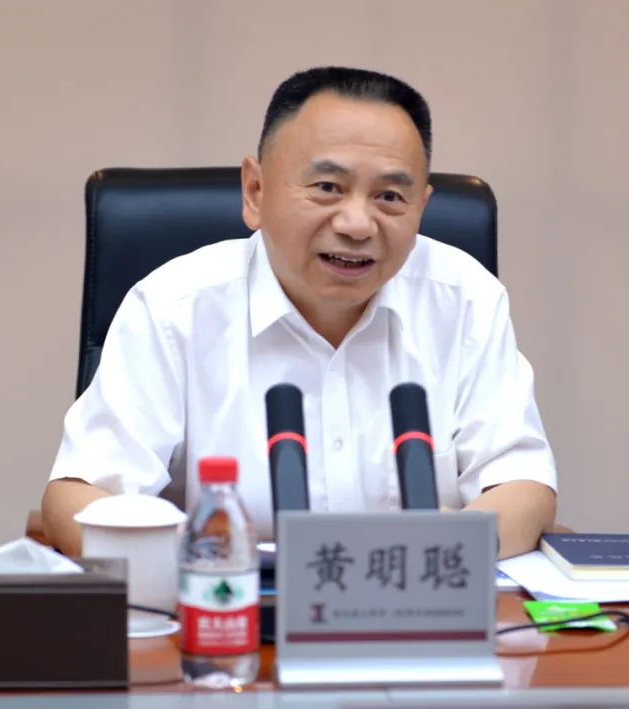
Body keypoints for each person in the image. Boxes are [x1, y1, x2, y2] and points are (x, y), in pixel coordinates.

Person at [42, 66, 557, 558]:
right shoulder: (174, 307)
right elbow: (78, 497)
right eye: (328, 188)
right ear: (255, 191)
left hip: (414, 602)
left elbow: (522, 485)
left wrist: (442, 550)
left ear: (421, 206)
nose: (357, 224)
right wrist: (205, 561)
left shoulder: (465, 300)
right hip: (229, 603)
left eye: (390, 196)